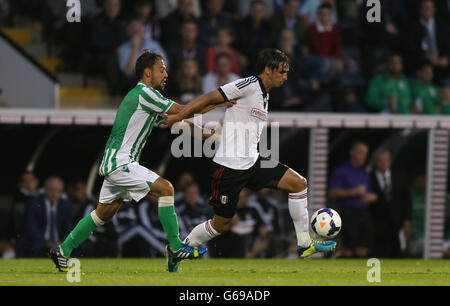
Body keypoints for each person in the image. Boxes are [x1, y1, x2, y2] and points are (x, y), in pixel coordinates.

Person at [49, 50, 234, 273]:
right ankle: (175, 246)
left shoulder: (145, 98)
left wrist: (207, 134)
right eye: (161, 69)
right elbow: (184, 110)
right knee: (166, 189)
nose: (166, 74)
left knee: (104, 213)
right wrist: (220, 100)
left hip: (116, 162)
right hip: (121, 162)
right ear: (148, 73)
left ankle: (63, 250)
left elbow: (177, 122)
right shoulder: (145, 93)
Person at [163, 48, 336, 260]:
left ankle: (304, 244)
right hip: (229, 167)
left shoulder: (265, 93)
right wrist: (178, 117)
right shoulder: (248, 85)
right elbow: (209, 97)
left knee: (299, 183)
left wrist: (265, 158)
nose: (285, 77)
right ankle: (180, 249)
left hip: (253, 162)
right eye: (282, 72)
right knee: (221, 225)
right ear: (268, 70)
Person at [328, 141, 377, 258]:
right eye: (360, 153)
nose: (363, 157)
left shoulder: (364, 173)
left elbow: (368, 192)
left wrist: (371, 197)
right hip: (347, 212)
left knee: (364, 246)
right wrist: (353, 192)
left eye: (365, 154)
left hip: (363, 212)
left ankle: (360, 272)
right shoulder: (341, 171)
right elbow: (333, 192)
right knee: (349, 246)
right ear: (352, 153)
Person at [369, 149, 412, 258]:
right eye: (380, 161)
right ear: (375, 162)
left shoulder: (400, 175)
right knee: (379, 252)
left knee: (399, 252)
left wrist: (407, 221)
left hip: (397, 223)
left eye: (386, 160)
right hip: (376, 225)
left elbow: (406, 200)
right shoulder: (368, 178)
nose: (384, 164)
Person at [16, 177, 73, 258]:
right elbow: (30, 228)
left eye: (58, 191)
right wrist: (48, 243)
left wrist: (63, 242)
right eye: (51, 190)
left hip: (60, 243)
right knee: (35, 245)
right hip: (39, 242)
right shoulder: (34, 203)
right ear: (45, 189)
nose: (54, 194)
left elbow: (68, 227)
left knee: (77, 245)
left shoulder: (65, 206)